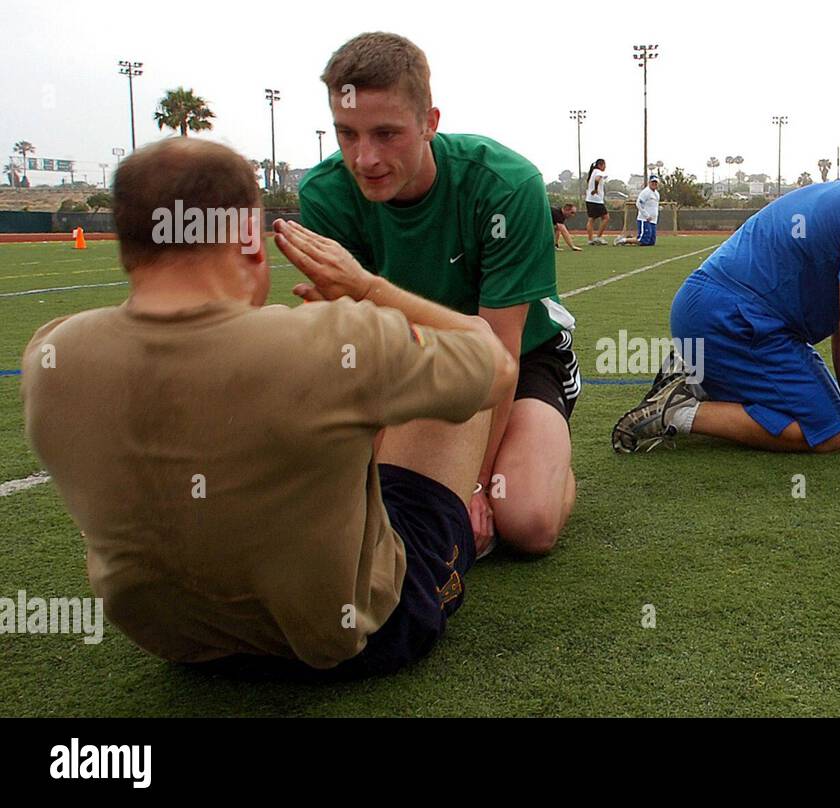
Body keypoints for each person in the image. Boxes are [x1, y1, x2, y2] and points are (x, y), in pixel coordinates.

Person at [20, 138, 517, 679]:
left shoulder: (52, 353)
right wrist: (370, 290)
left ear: (127, 245)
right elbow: (493, 362)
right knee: (452, 388)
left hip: (179, 645)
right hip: (353, 640)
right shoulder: (337, 339)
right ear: (252, 245)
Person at [297, 32, 578, 557]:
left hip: (518, 360)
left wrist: (475, 484)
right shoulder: (326, 196)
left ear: (430, 122)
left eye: (386, 133)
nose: (365, 158)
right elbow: (355, 350)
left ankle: (544, 451)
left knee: (526, 522)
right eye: (347, 134)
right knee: (377, 513)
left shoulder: (506, 186)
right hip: (410, 360)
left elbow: (499, 354)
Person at [611, 165, 840, 454]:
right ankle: (676, 410)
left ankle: (700, 374)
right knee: (827, 431)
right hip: (731, 318)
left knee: (838, 412)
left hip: (720, 311)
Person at [617, 175, 660, 246]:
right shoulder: (646, 192)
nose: (654, 184)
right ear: (649, 182)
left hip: (653, 220)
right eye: (652, 182)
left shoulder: (657, 194)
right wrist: (646, 215)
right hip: (645, 219)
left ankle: (630, 240)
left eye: (655, 183)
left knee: (651, 242)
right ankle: (623, 240)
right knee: (643, 240)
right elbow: (638, 204)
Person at [585, 158, 610, 245]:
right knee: (606, 217)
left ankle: (590, 239)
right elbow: (597, 179)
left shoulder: (593, 172)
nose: (605, 167)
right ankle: (598, 237)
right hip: (596, 200)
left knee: (591, 219)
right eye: (604, 165)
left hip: (589, 199)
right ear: (600, 165)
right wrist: (595, 189)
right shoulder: (598, 172)